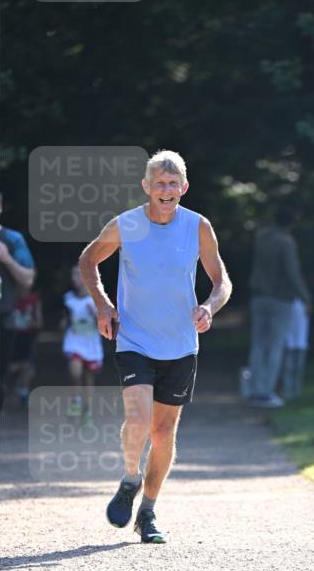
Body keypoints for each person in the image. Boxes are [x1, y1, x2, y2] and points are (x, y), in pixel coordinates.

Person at [78, 150, 232, 544]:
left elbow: (222, 282)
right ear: (147, 187)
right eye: (159, 184)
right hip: (135, 339)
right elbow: (88, 259)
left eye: (173, 183)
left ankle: (147, 511)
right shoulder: (125, 225)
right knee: (139, 419)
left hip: (181, 344)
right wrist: (103, 304)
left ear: (183, 187)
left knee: (163, 433)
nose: (166, 190)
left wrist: (209, 306)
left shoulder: (198, 226)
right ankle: (131, 478)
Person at [247, 202, 310, 408]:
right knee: (275, 346)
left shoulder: (261, 236)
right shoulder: (286, 242)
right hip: (280, 299)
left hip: (258, 296)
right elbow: (292, 273)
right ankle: (266, 392)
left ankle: (256, 389)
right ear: (292, 222)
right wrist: (305, 297)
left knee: (258, 344)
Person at [0, 192, 36, 410]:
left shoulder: (13, 240)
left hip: (4, 318)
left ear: (0, 207)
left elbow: (28, 279)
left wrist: (7, 259)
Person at [60, 265, 103, 419]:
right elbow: (63, 324)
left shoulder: (96, 300)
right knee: (75, 372)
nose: (74, 279)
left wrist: (94, 314)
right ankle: (75, 403)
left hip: (91, 346)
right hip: (74, 343)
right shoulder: (68, 299)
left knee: (88, 379)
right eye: (73, 275)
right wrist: (65, 321)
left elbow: (105, 326)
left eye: (78, 275)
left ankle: (87, 412)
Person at [8, 286, 42, 406]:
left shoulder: (33, 300)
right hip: (12, 338)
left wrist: (30, 323)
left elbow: (39, 322)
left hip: (27, 338)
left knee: (27, 366)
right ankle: (12, 390)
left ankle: (23, 391)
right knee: (11, 367)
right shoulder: (9, 299)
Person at [280, 297, 309, 400]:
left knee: (298, 368)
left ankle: (297, 393)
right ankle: (287, 392)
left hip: (301, 342)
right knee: (288, 368)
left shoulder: (305, 303)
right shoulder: (286, 302)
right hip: (289, 342)